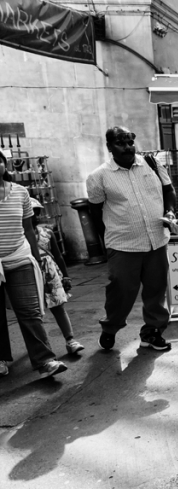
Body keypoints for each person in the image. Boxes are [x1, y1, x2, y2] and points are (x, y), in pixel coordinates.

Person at [87, 127, 176, 352]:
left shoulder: (153, 164)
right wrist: (105, 240)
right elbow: (95, 211)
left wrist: (171, 212)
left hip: (156, 239)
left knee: (156, 290)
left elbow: (168, 191)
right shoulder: (98, 176)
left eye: (130, 142)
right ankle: (110, 327)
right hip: (123, 244)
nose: (127, 147)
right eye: (120, 143)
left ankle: (152, 332)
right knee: (121, 290)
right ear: (109, 147)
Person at [0, 150, 68, 378]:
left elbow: (28, 229)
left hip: (20, 258)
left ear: (4, 165)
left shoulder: (20, 192)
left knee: (30, 312)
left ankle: (45, 361)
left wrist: (37, 260)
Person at [30, 198, 84, 354]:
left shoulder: (47, 232)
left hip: (50, 274)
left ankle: (70, 340)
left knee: (58, 307)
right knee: (34, 313)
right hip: (31, 274)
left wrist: (66, 277)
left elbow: (58, 256)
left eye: (36, 213)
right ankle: (40, 346)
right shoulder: (19, 237)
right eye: (31, 213)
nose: (34, 216)